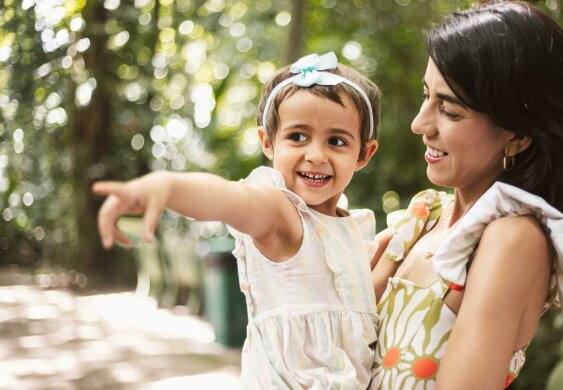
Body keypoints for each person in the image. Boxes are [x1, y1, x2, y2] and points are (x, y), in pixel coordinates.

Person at [93, 52, 382, 388]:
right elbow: (230, 200)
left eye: (336, 141)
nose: (315, 155)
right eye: (298, 136)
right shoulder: (280, 213)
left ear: (363, 153)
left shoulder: (352, 228)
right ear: (268, 142)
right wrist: (168, 186)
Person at [369, 1, 563, 389]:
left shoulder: (512, 238)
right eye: (426, 96)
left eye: (450, 111)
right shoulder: (425, 217)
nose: (419, 124)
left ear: (518, 135)